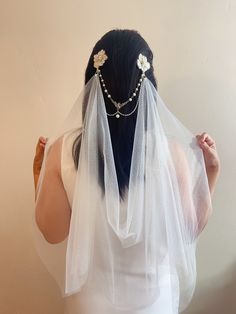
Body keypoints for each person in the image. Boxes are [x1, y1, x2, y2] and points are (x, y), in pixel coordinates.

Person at [32, 29, 220, 314]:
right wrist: (211, 173)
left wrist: (39, 173)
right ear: (149, 88)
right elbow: (186, 231)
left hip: (89, 304)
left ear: (91, 86)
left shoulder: (62, 152)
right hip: (154, 303)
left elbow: (53, 231)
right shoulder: (172, 156)